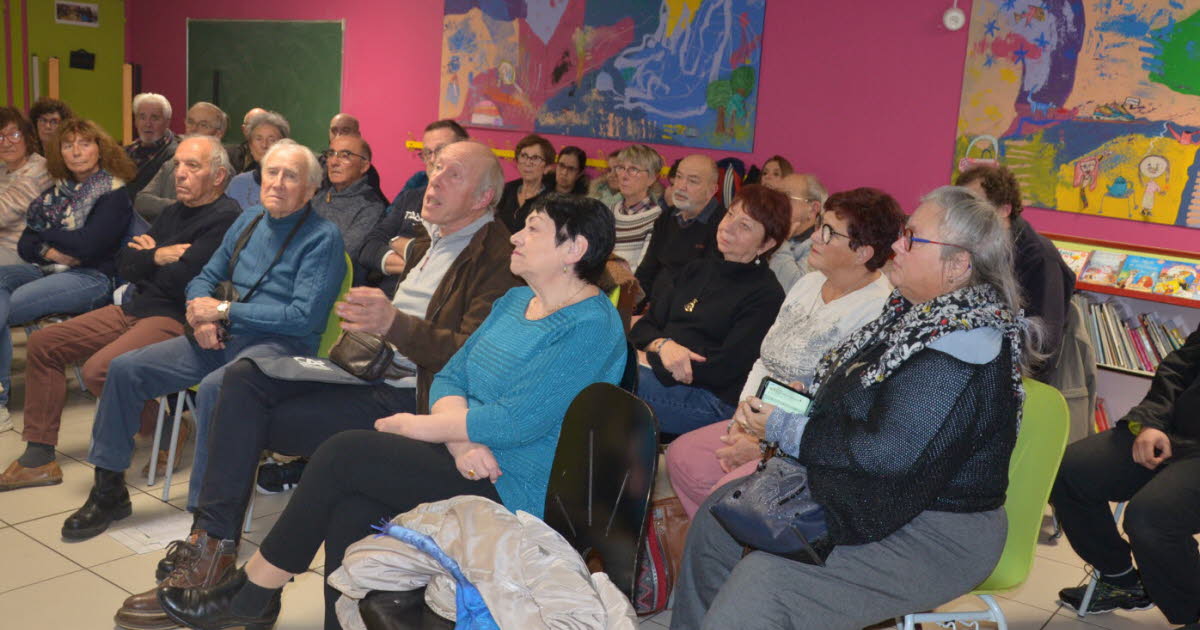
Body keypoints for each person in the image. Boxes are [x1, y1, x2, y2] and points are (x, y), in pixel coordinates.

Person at [156, 193, 627, 630]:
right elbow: (449, 376)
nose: (518, 237)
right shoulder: (517, 300)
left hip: (516, 479)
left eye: (534, 229)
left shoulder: (590, 326)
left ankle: (253, 592)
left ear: (574, 250)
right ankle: (309, 615)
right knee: (351, 504)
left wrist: (419, 426)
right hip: (470, 453)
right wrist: (458, 439)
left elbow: (519, 420)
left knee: (345, 455)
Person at [112, 138, 521, 630]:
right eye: (434, 168)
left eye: (451, 174)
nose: (433, 179)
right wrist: (377, 324)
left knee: (254, 409)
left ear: (482, 198)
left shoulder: (496, 257)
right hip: (367, 373)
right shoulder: (435, 242)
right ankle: (212, 553)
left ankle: (241, 588)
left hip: (413, 401)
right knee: (242, 383)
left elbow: (470, 359)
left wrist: (391, 324)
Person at [672, 185, 1037, 630]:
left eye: (913, 239)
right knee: (718, 525)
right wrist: (806, 404)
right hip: (870, 496)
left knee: (767, 582)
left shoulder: (963, 344)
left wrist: (786, 428)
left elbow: (885, 453)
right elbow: (863, 407)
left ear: (959, 265)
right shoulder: (913, 316)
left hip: (933, 532)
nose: (897, 246)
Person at [59, 139, 346, 542]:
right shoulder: (248, 221)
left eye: (291, 176)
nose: (278, 183)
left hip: (280, 349)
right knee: (124, 369)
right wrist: (198, 314)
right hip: (220, 337)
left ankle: (206, 525)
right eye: (271, 172)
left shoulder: (323, 238)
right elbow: (204, 278)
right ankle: (109, 490)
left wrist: (224, 312)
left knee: (217, 388)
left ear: (312, 188)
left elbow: (303, 318)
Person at [0, 135, 240, 492]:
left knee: (104, 369)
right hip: (135, 304)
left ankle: (166, 426)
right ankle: (39, 457)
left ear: (218, 175)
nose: (181, 174)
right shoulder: (173, 211)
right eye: (178, 165)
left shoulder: (226, 218)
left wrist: (150, 257)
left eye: (193, 166)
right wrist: (157, 255)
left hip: (175, 317)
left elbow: (183, 281)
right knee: (45, 343)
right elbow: (125, 264)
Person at [665, 187, 904, 518]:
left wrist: (764, 445)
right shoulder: (808, 283)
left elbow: (833, 406)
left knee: (729, 492)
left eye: (829, 232)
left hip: (800, 443)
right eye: (820, 224)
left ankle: (731, 549)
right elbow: (765, 361)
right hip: (758, 417)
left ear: (862, 251)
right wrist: (742, 422)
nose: (815, 236)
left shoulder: (878, 311)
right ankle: (723, 549)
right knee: (682, 456)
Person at [1051, 323, 1200, 628]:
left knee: (1150, 518)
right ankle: (1120, 579)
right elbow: (1179, 367)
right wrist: (1153, 422)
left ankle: (1193, 612)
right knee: (1068, 472)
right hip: (1175, 431)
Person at [0, 119, 135, 427]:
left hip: (93, 279)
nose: (76, 152)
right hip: (47, 269)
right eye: (68, 145)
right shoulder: (57, 191)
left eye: (84, 144)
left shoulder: (113, 193)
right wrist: (50, 249)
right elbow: (25, 243)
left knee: (11, 303)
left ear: (99, 150)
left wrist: (45, 233)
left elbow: (88, 246)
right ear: (59, 152)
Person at [630, 184, 788, 437]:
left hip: (710, 402)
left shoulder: (766, 295)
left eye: (744, 226)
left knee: (604, 376)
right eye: (730, 215)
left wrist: (651, 358)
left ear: (767, 243)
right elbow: (645, 327)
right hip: (660, 376)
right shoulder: (697, 269)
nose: (728, 227)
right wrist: (663, 346)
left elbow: (721, 369)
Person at [956, 164, 1074, 379]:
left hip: (1017, 379)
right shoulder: (975, 246)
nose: (967, 216)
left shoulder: (1040, 258)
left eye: (975, 206)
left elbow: (1041, 346)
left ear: (1004, 210)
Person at [358, 119, 468, 295]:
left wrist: (396, 243)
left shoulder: (472, 206)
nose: (432, 159)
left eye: (440, 150)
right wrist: (420, 263)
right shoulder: (411, 197)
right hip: (386, 298)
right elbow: (368, 249)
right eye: (426, 152)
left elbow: (451, 265)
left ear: (463, 151)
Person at [635, 154, 723, 307]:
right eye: (679, 177)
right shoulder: (667, 217)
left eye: (692, 181)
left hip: (689, 313)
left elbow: (708, 286)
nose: (681, 186)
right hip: (653, 309)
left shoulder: (723, 226)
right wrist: (634, 307)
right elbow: (647, 271)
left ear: (712, 190)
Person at [133, 101, 228, 221]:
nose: (193, 129)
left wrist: (178, 208)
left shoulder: (221, 170)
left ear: (218, 134)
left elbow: (209, 210)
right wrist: (181, 207)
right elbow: (141, 201)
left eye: (203, 125)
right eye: (190, 122)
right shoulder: (173, 161)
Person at [313, 133, 386, 267]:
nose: (334, 162)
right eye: (330, 154)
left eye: (345, 155)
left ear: (364, 166)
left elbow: (341, 255)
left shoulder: (371, 208)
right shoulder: (319, 196)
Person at [0, 108, 50, 267]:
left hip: (19, 251)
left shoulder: (38, 171)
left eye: (14, 135)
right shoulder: (3, 169)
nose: (6, 143)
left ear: (27, 137)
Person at [768, 173, 828, 291]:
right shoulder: (769, 229)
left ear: (813, 208)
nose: (776, 202)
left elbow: (795, 290)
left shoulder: (819, 246)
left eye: (785, 197)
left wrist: (781, 242)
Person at [610, 144, 664, 268]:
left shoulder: (657, 219)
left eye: (633, 170)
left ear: (652, 178)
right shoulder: (608, 211)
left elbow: (642, 271)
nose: (623, 176)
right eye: (621, 168)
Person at [225, 111, 289, 210]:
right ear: (250, 146)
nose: (264, 145)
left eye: (271, 140)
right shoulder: (237, 183)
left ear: (283, 145)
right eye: (258, 139)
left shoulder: (294, 185)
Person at [496, 133, 554, 233]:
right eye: (524, 156)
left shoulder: (551, 200)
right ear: (517, 162)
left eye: (535, 158)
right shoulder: (507, 189)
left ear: (547, 168)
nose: (528, 163)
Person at [125, 93, 179, 198]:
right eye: (142, 117)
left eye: (154, 118)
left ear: (167, 122)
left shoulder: (176, 155)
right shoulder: (125, 152)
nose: (147, 124)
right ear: (135, 121)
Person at [318, 112, 383, 197]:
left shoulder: (366, 172)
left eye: (345, 131)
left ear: (358, 135)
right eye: (334, 131)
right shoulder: (318, 163)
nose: (339, 136)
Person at [225, 107, 266, 174]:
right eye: (253, 125)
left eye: (263, 125)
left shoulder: (279, 157)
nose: (258, 129)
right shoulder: (228, 155)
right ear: (244, 129)